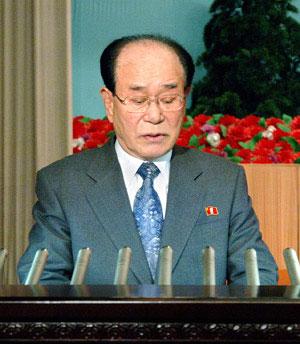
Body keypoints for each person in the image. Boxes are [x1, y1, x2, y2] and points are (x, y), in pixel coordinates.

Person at [18, 34, 278, 285]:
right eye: (138, 100)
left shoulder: (222, 180)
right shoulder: (64, 184)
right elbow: (43, 280)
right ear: (109, 103)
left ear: (185, 98)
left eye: (168, 99)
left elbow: (257, 276)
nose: (155, 115)